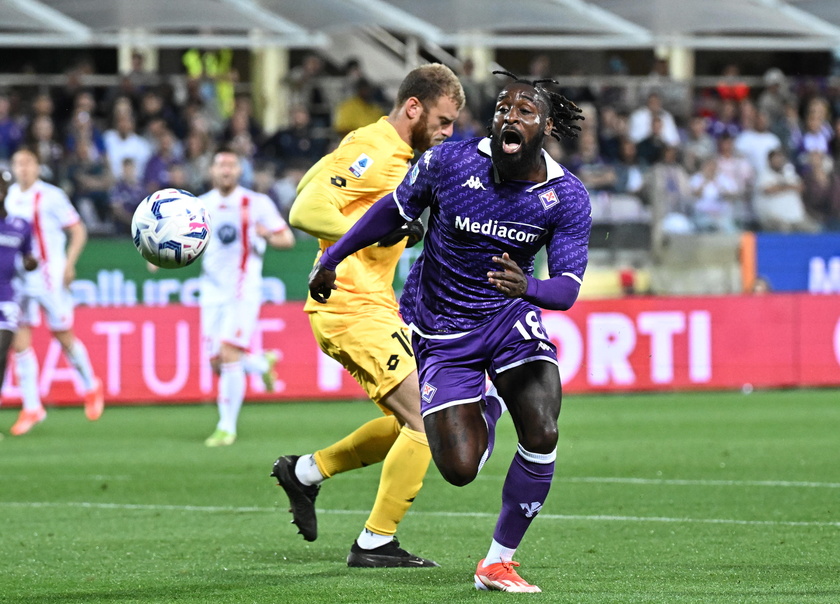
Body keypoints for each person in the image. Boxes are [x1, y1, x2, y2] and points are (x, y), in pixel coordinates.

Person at [307, 71, 590, 592]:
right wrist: (334, 255)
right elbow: (392, 210)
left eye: (525, 111)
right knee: (459, 470)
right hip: (440, 329)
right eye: (504, 107)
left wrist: (527, 286)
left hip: (509, 318)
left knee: (544, 428)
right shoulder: (450, 162)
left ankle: (497, 563)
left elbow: (567, 289)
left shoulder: (566, 196)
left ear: (546, 126)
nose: (510, 116)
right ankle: (488, 405)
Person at [272, 63, 464, 568]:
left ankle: (307, 472)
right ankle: (376, 542)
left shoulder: (384, 148)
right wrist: (373, 233)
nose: (447, 135)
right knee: (428, 421)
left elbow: (316, 176)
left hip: (373, 303)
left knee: (410, 422)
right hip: (349, 304)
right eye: (443, 122)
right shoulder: (376, 150)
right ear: (414, 107)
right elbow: (304, 208)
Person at [199, 148, 295, 447]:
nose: (225, 170)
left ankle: (226, 427)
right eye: (220, 165)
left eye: (231, 165)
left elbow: (287, 239)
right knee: (216, 362)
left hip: (243, 290)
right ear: (211, 171)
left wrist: (266, 234)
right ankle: (262, 365)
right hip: (211, 292)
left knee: (228, 352)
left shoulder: (256, 203)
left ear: (239, 171)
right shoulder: (200, 205)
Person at [5, 147, 104, 435]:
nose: (22, 168)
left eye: (27, 163)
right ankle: (32, 406)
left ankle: (90, 384)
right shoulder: (9, 198)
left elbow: (78, 230)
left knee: (62, 334)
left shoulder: (51, 196)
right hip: (20, 279)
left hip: (50, 276)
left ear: (37, 166)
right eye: (18, 163)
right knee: (18, 340)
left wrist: (70, 265)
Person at [0, 171, 38, 438]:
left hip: (6, 295)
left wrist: (30, 262)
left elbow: (29, 256)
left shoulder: (20, 225)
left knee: (2, 350)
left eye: (2, 185)